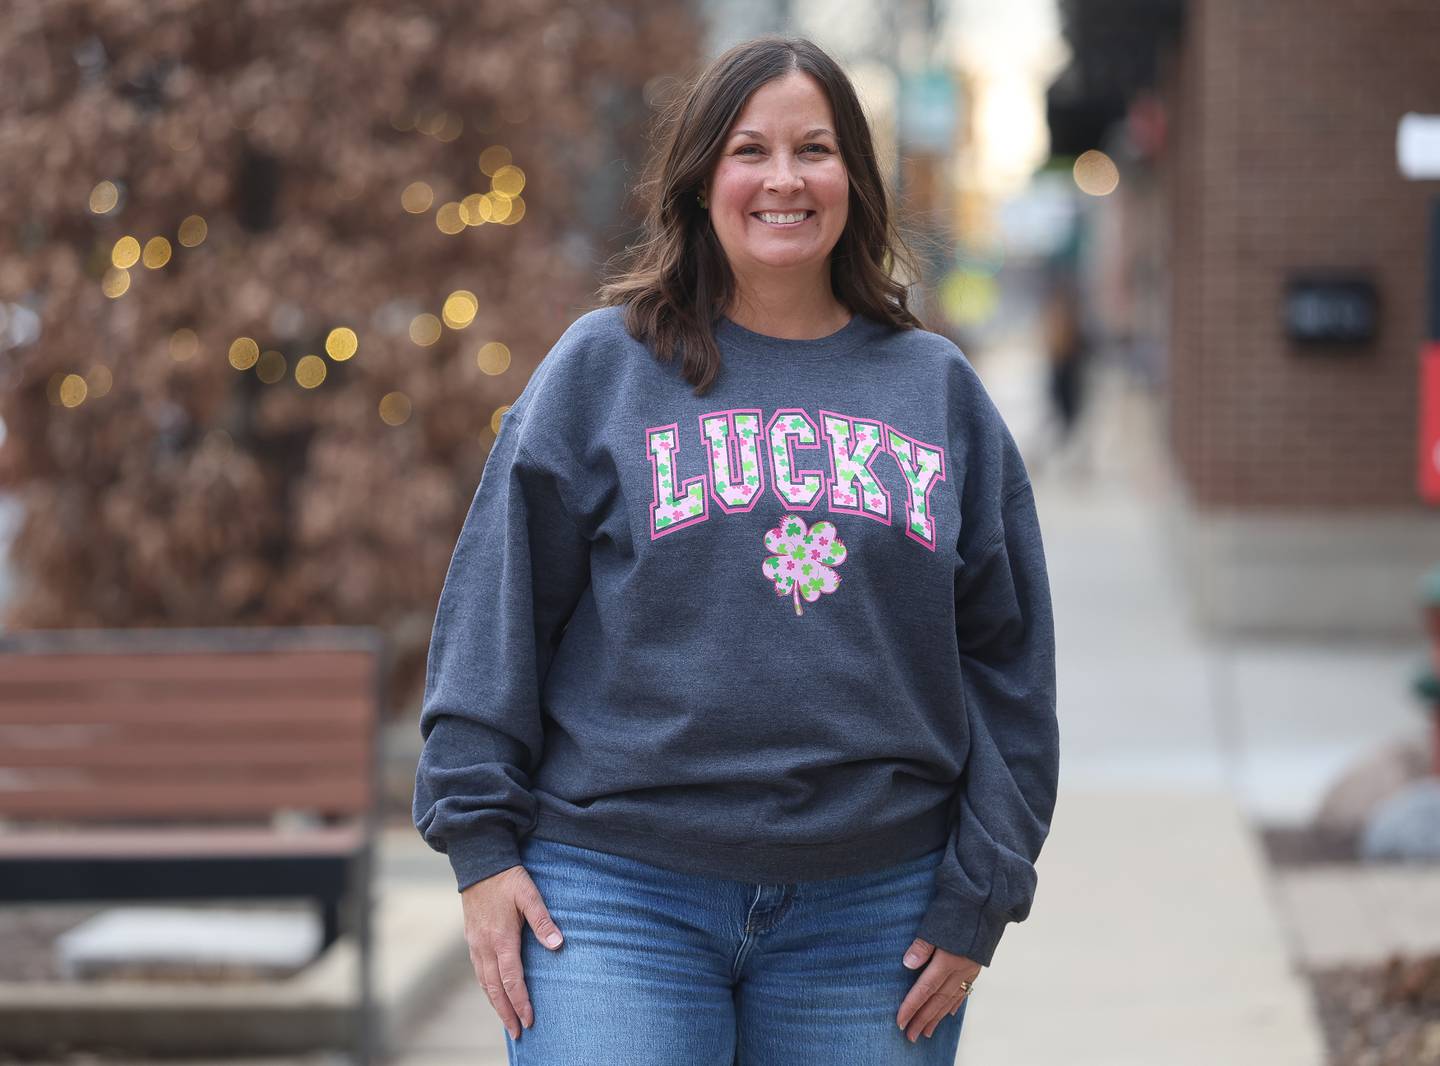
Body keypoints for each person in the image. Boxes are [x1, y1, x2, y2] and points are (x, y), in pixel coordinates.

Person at [413, 34, 1059, 1065]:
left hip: (876, 914)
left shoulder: (938, 392)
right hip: (614, 892)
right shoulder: (604, 370)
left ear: (854, 177)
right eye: (751, 150)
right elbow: (497, 610)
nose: (784, 179)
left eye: (815, 148)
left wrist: (983, 890)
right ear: (703, 175)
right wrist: (481, 848)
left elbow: (1008, 665)